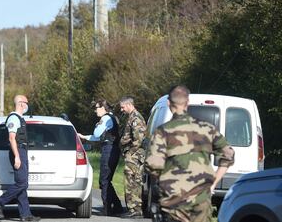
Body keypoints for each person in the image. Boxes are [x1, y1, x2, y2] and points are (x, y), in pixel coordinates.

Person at [144, 85, 235, 222]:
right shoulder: (207, 129)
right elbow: (229, 155)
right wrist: (213, 183)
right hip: (201, 199)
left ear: (169, 103)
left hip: (173, 199)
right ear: (188, 103)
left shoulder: (163, 132)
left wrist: (163, 183)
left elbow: (153, 165)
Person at [0, 95, 40, 221]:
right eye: (26, 103)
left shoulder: (20, 118)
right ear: (21, 104)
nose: (28, 105)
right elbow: (12, 138)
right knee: (22, 183)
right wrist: (17, 156)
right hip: (17, 151)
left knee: (22, 184)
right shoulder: (14, 118)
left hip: (22, 150)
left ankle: (26, 215)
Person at [78, 99, 123, 216]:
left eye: (96, 108)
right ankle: (117, 206)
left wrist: (98, 124)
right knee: (106, 180)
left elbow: (97, 134)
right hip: (112, 149)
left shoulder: (105, 119)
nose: (95, 111)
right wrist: (84, 137)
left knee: (104, 180)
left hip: (109, 150)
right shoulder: (112, 117)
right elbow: (98, 137)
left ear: (103, 108)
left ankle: (108, 209)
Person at [119, 96, 147, 219]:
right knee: (130, 182)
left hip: (135, 155)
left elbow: (138, 140)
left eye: (123, 107)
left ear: (129, 105)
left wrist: (130, 153)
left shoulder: (136, 118)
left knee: (133, 183)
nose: (122, 109)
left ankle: (136, 209)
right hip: (131, 155)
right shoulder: (131, 117)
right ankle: (132, 209)